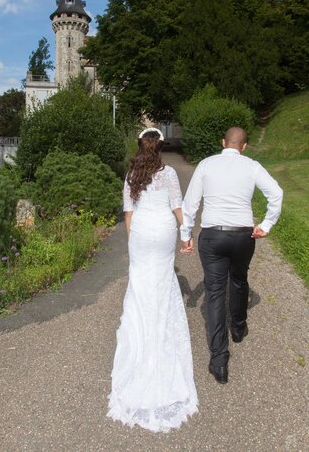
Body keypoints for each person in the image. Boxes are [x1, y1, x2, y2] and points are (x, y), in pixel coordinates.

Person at [108, 128, 198, 432]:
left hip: (143, 231)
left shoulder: (132, 172)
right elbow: (177, 206)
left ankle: (142, 331)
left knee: (140, 284)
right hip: (162, 232)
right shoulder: (168, 172)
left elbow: (128, 211)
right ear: (159, 147)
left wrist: (133, 241)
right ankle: (160, 330)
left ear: (139, 146)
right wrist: (186, 235)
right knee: (162, 281)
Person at [180, 126, 283, 385]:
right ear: (244, 146)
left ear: (222, 142)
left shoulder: (205, 164)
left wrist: (186, 234)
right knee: (239, 280)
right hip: (242, 235)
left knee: (214, 293)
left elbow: (191, 202)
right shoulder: (252, 166)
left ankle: (219, 361)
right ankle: (238, 328)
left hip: (213, 235)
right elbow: (277, 193)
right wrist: (266, 225)